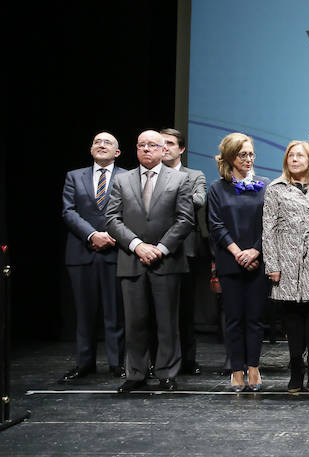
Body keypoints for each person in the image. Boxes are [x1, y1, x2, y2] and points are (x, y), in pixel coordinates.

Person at [106, 130, 194, 393]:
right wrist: (137, 245)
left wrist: (161, 248)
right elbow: (112, 219)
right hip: (132, 259)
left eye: (152, 145)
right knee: (134, 322)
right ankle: (136, 373)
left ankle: (167, 372)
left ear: (163, 150)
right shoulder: (122, 180)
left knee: (167, 322)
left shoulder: (180, 179)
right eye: (141, 145)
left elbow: (185, 219)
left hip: (166, 261)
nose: (146, 149)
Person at [263, 140, 309, 393]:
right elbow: (268, 229)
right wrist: (272, 264)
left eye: (300, 156)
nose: (295, 159)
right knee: (292, 317)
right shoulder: (275, 189)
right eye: (291, 156)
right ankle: (296, 368)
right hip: (287, 257)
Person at [60, 132, 126, 383]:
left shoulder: (127, 177)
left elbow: (130, 212)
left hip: (115, 250)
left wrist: (110, 235)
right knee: (84, 312)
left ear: (117, 152)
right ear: (91, 149)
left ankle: (117, 363)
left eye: (107, 142)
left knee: (115, 312)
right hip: (81, 251)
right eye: (97, 141)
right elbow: (69, 212)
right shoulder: (74, 176)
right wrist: (92, 235)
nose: (101, 144)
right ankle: (84, 363)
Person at [207, 132, 270, 392]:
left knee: (255, 318)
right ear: (230, 157)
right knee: (233, 318)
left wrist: (254, 252)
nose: (248, 159)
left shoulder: (265, 185)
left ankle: (253, 367)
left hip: (258, 260)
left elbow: (270, 224)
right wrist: (238, 253)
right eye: (243, 154)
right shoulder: (217, 188)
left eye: (251, 154)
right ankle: (236, 369)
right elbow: (215, 225)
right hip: (230, 261)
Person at [160, 128, 207, 376]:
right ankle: (158, 359)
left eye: (169, 143)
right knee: (157, 309)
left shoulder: (194, 175)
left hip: (186, 249)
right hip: (153, 246)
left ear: (181, 149)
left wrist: (164, 197)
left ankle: (188, 360)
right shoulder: (149, 176)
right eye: (161, 143)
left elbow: (198, 201)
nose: (164, 147)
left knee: (185, 308)